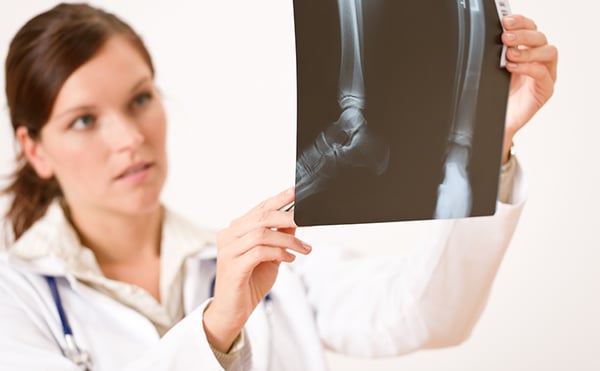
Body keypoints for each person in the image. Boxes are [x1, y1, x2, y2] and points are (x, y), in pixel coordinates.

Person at [0, 3, 557, 371]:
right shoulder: (16, 302)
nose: (129, 138)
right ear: (34, 149)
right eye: (84, 120)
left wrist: (491, 143)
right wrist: (216, 329)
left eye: (140, 99)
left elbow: (427, 315)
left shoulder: (271, 262)